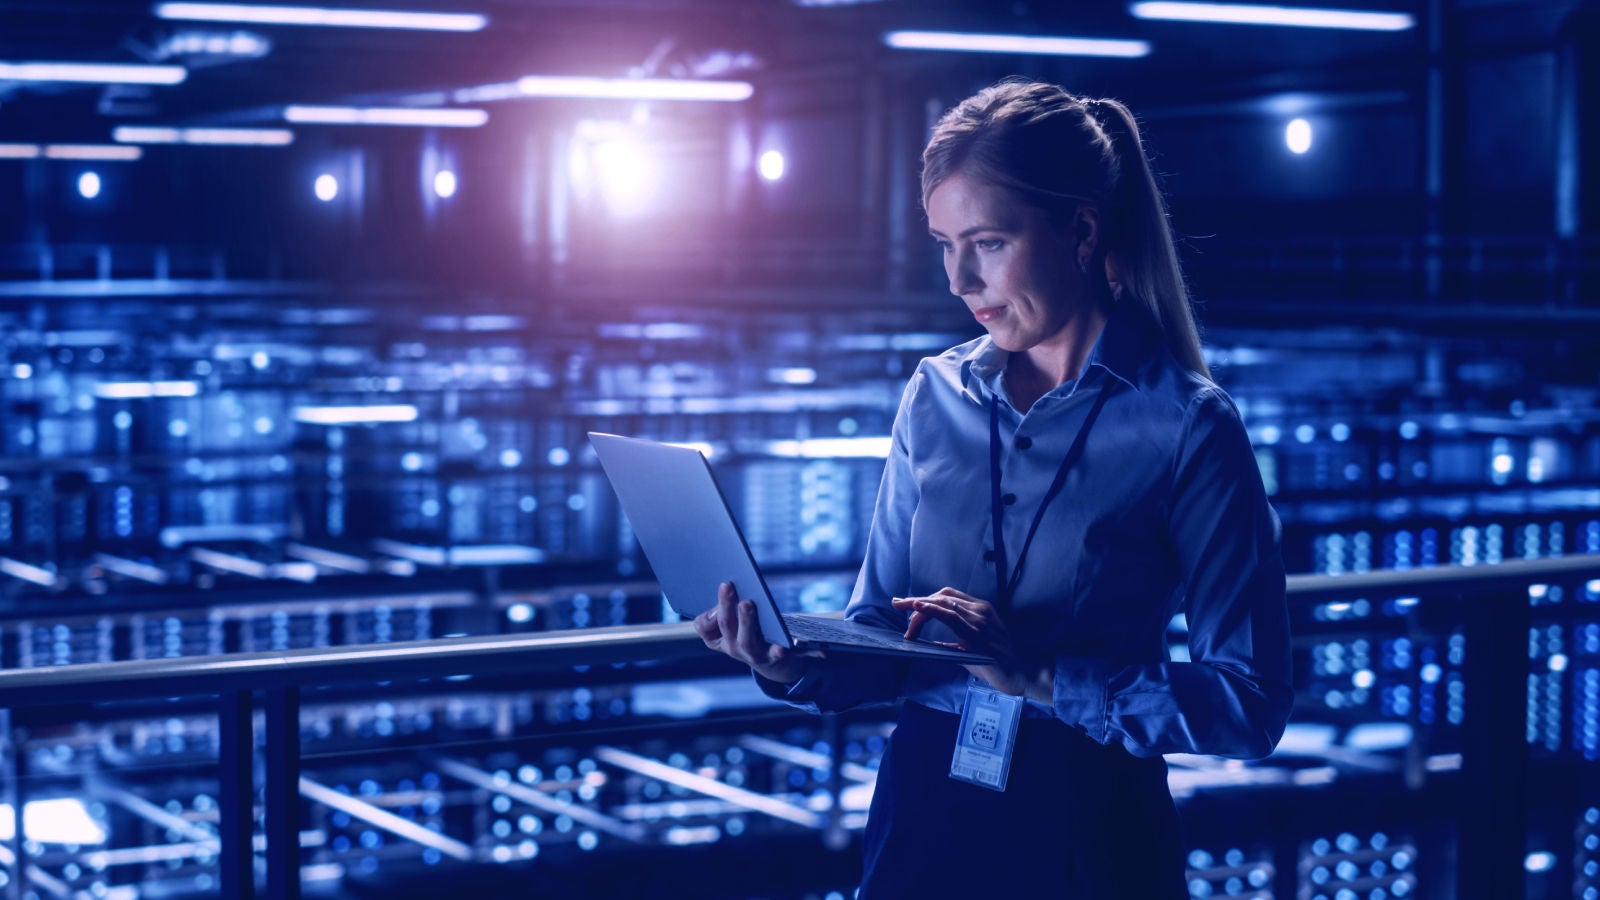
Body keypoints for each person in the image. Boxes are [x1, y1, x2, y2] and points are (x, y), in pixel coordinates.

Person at [692, 78, 1292, 899]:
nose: (960, 280)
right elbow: (882, 631)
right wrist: (789, 664)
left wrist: (1042, 675)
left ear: (1080, 231)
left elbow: (1249, 703)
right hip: (925, 809)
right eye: (944, 244)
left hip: (1089, 821)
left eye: (988, 242)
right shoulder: (931, 397)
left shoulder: (1189, 425)